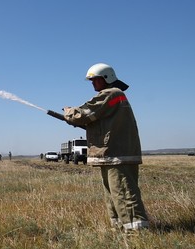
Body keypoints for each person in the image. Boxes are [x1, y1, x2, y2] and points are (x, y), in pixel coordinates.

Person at [63, 63, 149, 232]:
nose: (93, 83)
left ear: (106, 78)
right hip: (112, 154)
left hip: (117, 155)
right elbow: (98, 121)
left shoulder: (111, 93)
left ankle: (136, 233)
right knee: (114, 195)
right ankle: (119, 228)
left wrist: (68, 112)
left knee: (123, 194)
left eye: (95, 79)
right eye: (91, 80)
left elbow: (84, 113)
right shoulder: (114, 95)